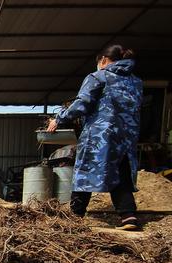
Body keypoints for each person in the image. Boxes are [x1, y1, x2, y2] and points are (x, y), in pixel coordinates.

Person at [47, 44, 143, 230]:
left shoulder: (98, 76)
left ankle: (74, 217)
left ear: (104, 61)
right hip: (127, 136)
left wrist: (59, 118)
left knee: (84, 172)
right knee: (120, 172)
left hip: (101, 134)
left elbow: (83, 103)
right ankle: (128, 216)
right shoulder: (136, 82)